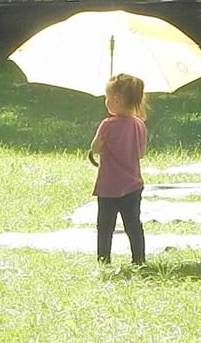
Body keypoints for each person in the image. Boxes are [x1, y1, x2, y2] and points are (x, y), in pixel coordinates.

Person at [90, 73, 147, 265]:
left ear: (116, 100)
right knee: (133, 225)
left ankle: (103, 259)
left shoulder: (107, 125)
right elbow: (141, 153)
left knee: (105, 226)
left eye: (107, 97)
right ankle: (138, 259)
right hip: (133, 185)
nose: (105, 101)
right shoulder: (139, 124)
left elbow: (95, 148)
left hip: (109, 186)